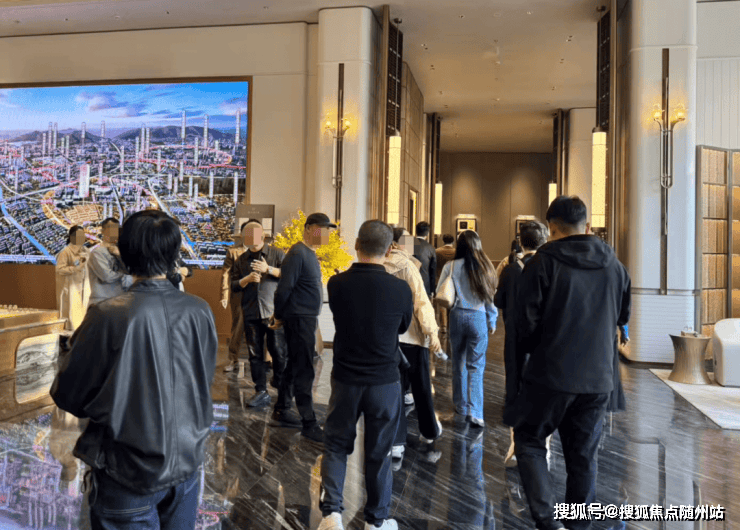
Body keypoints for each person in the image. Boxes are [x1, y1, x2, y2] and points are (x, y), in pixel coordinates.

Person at [50, 209, 219, 530]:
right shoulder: (200, 311)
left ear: (125, 255)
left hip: (125, 471)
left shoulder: (107, 315)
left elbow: (68, 394)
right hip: (187, 466)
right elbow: (201, 379)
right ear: (173, 254)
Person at [514, 196, 631, 530]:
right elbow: (622, 317)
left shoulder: (541, 263)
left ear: (551, 228)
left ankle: (549, 522)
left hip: (551, 374)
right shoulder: (615, 266)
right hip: (599, 378)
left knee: (529, 440)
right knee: (583, 457)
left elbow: (524, 325)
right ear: (588, 226)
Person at [318, 220, 413, 530]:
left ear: (357, 245)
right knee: (379, 452)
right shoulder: (400, 288)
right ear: (389, 250)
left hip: (345, 379)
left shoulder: (337, 284)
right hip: (384, 382)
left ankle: (332, 515)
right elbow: (402, 326)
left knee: (336, 446)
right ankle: (376, 521)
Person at [272, 212, 335, 442]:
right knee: (304, 369)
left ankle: (282, 409)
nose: (326, 234)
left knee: (295, 365)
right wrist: (279, 316)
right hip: (298, 318)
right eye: (322, 229)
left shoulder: (309, 253)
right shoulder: (297, 253)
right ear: (308, 228)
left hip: (306, 318)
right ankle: (309, 422)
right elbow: (284, 288)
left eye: (327, 230)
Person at [384, 228, 443, 463]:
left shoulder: (380, 264)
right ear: (396, 244)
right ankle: (429, 431)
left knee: (396, 390)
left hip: (390, 338)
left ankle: (396, 443)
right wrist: (433, 332)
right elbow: (421, 303)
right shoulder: (407, 266)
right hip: (412, 337)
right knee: (421, 386)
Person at [493, 220, 548, 466]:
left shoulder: (510, 270)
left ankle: (515, 445)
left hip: (515, 336)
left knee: (514, 386)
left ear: (520, 243)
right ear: (543, 241)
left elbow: (498, 301)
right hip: (543, 338)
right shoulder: (548, 267)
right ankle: (542, 444)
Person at [436, 230, 498, 427]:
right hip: (478, 317)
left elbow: (440, 291)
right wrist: (492, 319)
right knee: (476, 366)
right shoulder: (485, 266)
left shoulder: (451, 266)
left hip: (457, 316)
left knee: (458, 363)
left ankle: (461, 406)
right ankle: (476, 412)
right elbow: (490, 297)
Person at [230, 219, 287, 408]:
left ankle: (282, 389)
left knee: (278, 352)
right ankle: (260, 391)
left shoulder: (277, 253)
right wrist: (245, 280)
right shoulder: (241, 259)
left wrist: (268, 269)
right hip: (251, 312)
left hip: (273, 312)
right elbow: (233, 285)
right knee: (255, 354)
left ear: (262, 235)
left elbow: (289, 275)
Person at [87, 217, 134, 306]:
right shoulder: (97, 253)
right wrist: (123, 275)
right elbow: (107, 277)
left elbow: (130, 270)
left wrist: (119, 255)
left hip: (119, 299)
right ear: (103, 231)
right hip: (102, 301)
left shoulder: (119, 251)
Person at [55, 225, 91, 331]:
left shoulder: (86, 251)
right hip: (71, 290)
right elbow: (59, 269)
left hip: (84, 289)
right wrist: (75, 268)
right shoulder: (65, 252)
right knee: (71, 320)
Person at [221, 233, 248, 372]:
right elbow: (226, 274)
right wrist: (224, 295)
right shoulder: (233, 252)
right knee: (237, 327)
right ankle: (233, 360)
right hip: (239, 294)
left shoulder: (263, 250)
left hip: (258, 295)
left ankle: (265, 361)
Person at [434, 234, 456, 334]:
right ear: (453, 241)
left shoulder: (437, 251)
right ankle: (451, 325)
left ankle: (443, 326)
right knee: (452, 303)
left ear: (443, 240)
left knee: (442, 303)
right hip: (453, 280)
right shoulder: (456, 252)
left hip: (440, 279)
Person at [413, 221, 437, 299]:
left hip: (408, 283)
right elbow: (432, 270)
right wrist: (432, 290)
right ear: (427, 233)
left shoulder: (408, 244)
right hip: (424, 284)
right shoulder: (430, 248)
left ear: (416, 231)